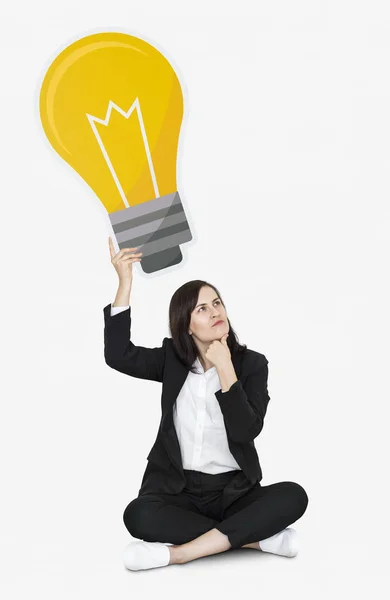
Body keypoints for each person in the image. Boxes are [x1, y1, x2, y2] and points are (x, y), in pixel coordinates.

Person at [104, 237, 309, 571]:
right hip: (178, 490)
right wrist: (125, 282)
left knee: (293, 495)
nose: (215, 312)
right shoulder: (172, 360)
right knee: (137, 515)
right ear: (186, 324)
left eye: (217, 303)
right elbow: (118, 355)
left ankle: (180, 553)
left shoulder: (252, 365)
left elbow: (246, 431)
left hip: (235, 494)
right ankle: (255, 540)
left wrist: (226, 370)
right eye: (202, 308)